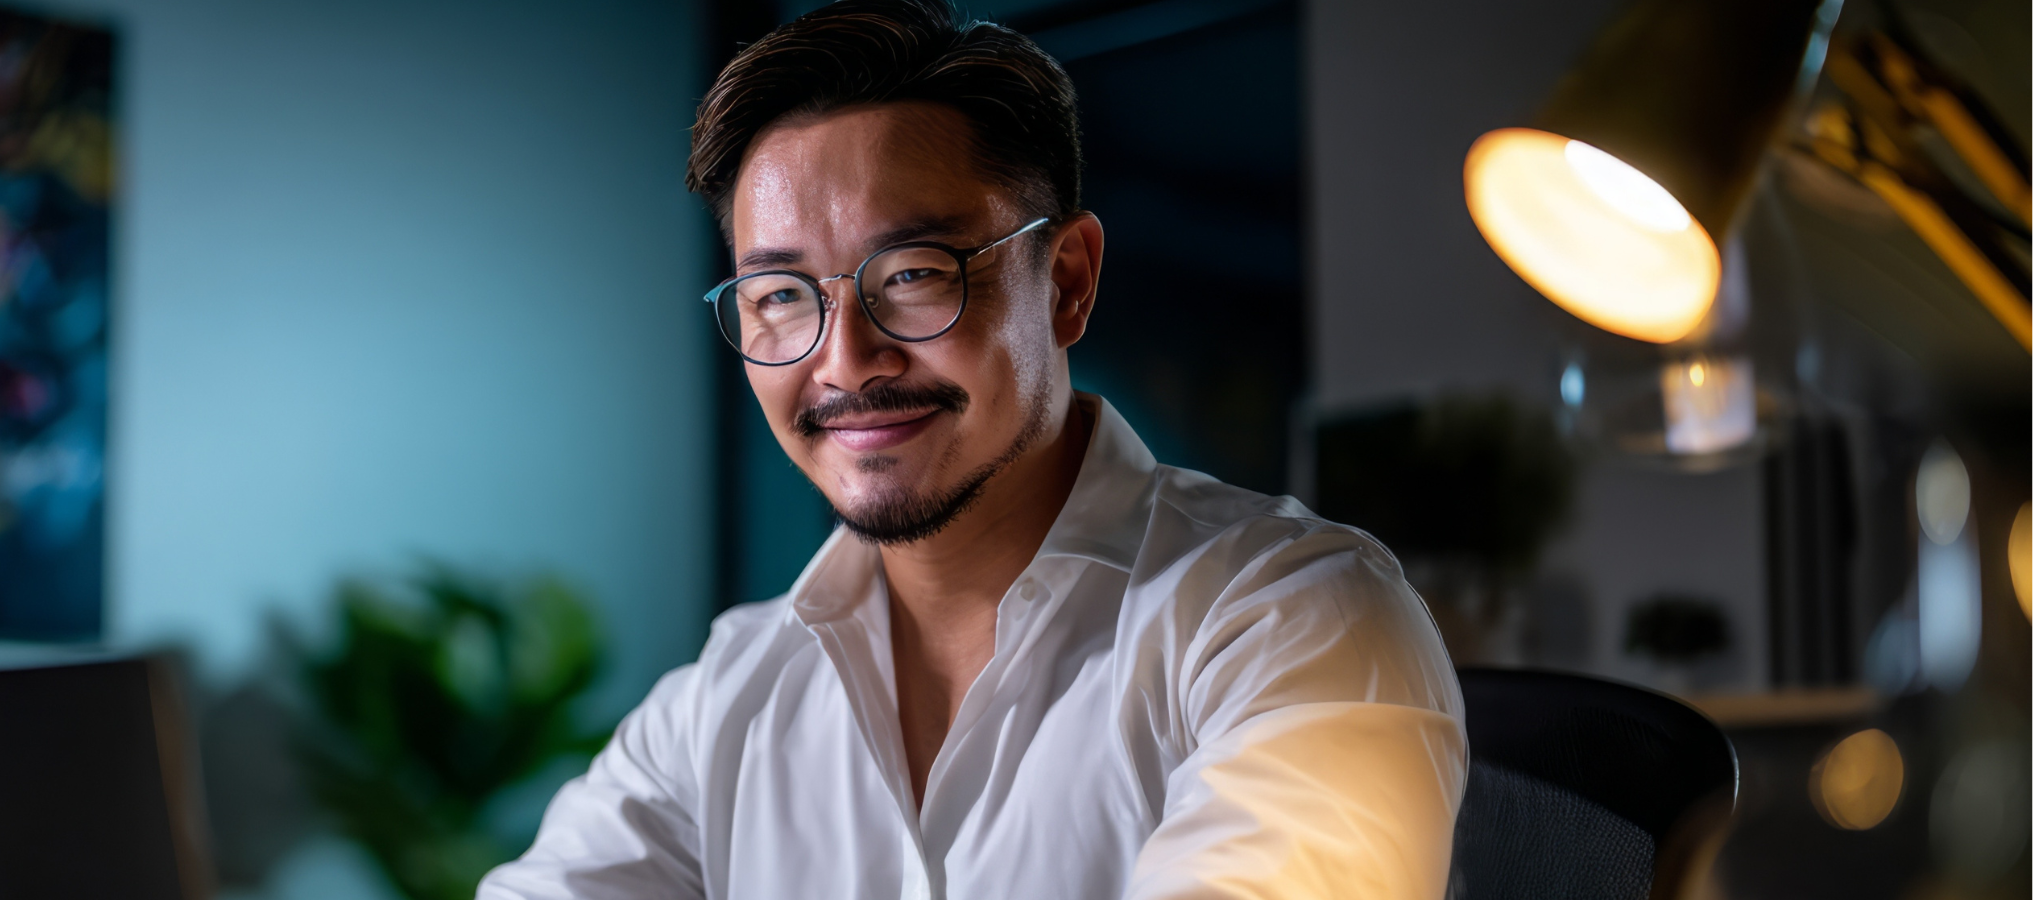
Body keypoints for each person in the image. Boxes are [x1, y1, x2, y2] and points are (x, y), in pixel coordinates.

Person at [480, 1, 1463, 897]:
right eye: (780, 296)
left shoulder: (1292, 618)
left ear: (1067, 280)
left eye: (911, 274)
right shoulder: (724, 697)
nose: (844, 359)